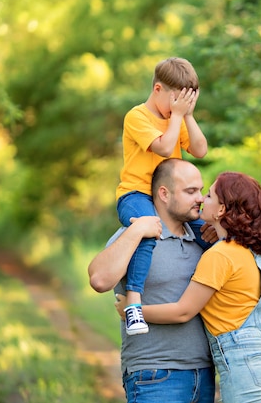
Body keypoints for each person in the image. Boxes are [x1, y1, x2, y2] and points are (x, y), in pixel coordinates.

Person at [116, 171, 261, 403]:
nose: (201, 199)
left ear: (221, 210)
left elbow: (183, 311)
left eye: (208, 195)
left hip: (244, 363)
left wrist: (132, 310)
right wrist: (240, 320)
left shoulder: (219, 255)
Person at [89, 159, 216, 403]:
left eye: (201, 190)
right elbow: (99, 280)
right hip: (154, 375)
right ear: (164, 194)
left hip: (205, 373)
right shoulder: (133, 236)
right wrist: (137, 230)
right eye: (190, 191)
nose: (200, 198)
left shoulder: (202, 238)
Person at [115, 57, 209, 335]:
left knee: (207, 232)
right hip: (137, 193)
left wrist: (187, 115)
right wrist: (178, 116)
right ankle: (134, 304)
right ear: (158, 90)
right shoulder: (137, 117)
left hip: (171, 199)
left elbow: (200, 150)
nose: (178, 109)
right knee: (147, 228)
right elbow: (166, 148)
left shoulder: (176, 118)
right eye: (176, 101)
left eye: (187, 102)